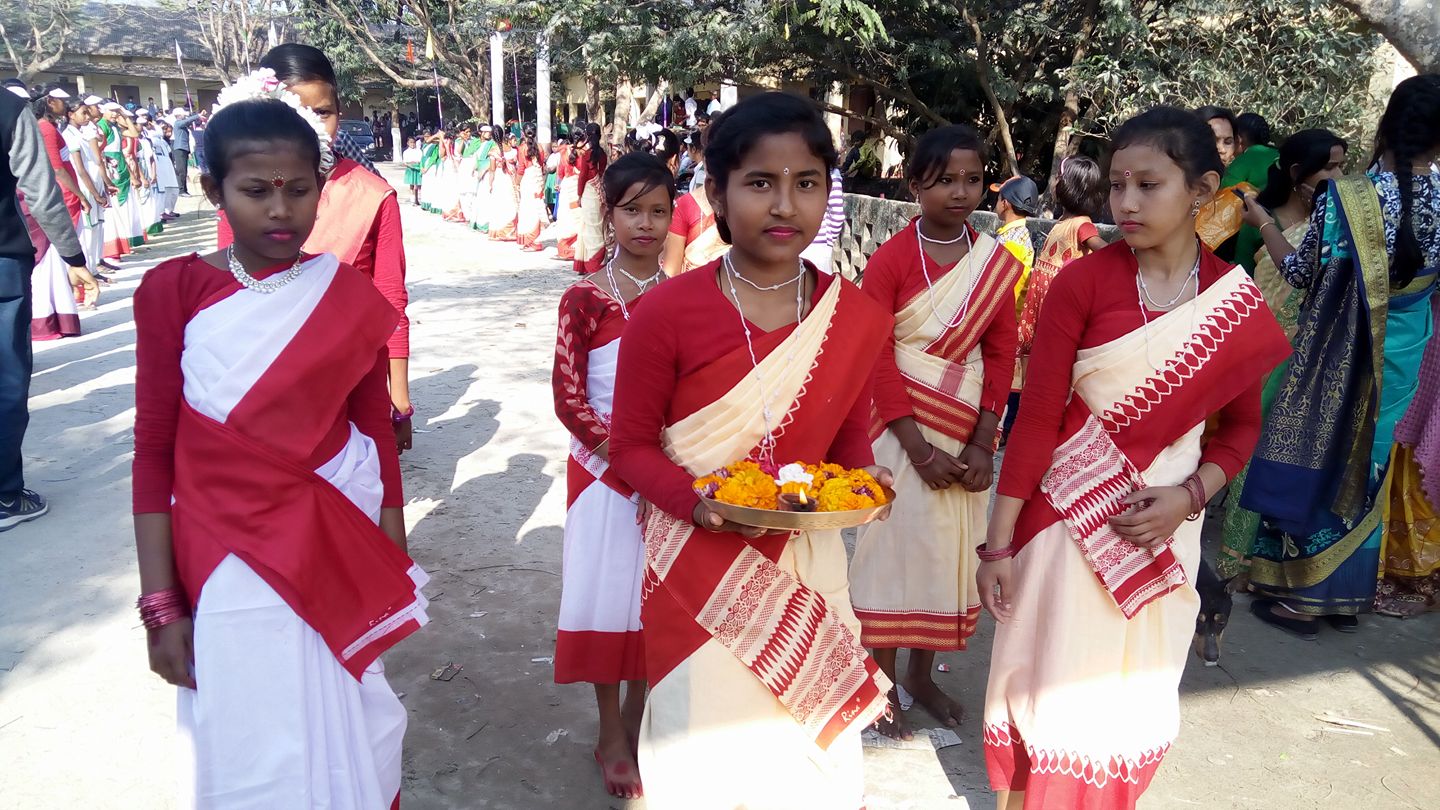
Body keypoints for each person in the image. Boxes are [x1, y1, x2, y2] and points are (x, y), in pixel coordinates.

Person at [980, 106, 1289, 809]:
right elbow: (1036, 423)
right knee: (1047, 692)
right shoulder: (1083, 284)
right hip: (1064, 526)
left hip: (1163, 532)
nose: (1126, 202)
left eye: (1149, 185)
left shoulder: (1231, 302)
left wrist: (1189, 497)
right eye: (1118, 184)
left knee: (1125, 705)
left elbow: (1241, 429)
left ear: (1202, 189)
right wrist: (996, 546)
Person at [132, 94, 427, 808]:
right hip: (222, 550)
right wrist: (161, 605)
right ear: (214, 190)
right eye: (255, 191)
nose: (279, 210)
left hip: (332, 537)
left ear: (321, 190)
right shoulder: (173, 291)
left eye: (298, 190)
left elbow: (373, 429)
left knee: (345, 708)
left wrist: (391, 550)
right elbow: (154, 449)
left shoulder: (346, 295)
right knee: (249, 725)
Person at [609, 91, 894, 810]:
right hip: (695, 567)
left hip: (808, 566)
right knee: (703, 761)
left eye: (807, 183)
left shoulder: (854, 317)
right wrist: (695, 505)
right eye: (760, 182)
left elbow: (846, 438)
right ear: (717, 194)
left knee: (809, 767)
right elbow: (631, 447)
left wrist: (864, 480)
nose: (785, 204)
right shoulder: (665, 312)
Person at [1240, 74, 1440, 634]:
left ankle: (1304, 598)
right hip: (1406, 349)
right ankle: (1346, 597)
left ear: (1387, 127)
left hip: (1342, 350)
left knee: (1321, 455)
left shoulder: (1348, 198)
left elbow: (1300, 272)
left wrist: (1264, 223)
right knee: (1370, 464)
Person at [849, 125, 1021, 741]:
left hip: (965, 429)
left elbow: (1001, 353)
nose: (960, 191)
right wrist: (918, 449)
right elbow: (874, 356)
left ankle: (921, 677)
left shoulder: (993, 264)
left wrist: (983, 441)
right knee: (893, 553)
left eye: (972, 179)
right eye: (945, 179)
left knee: (947, 555)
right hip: (901, 436)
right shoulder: (892, 259)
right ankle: (881, 684)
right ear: (914, 184)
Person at [217, 45, 415, 456]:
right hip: (262, 377)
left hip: (349, 379)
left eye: (323, 113)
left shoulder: (372, 195)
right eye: (296, 111)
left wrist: (399, 398)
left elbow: (390, 301)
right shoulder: (244, 196)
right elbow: (229, 294)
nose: (311, 126)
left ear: (340, 110)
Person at [553, 152, 675, 801]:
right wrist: (625, 459)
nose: (646, 223)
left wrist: (664, 466)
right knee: (605, 597)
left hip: (666, 476)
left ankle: (636, 718)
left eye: (659, 210)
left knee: (653, 602)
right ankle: (610, 734)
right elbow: (568, 397)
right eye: (633, 210)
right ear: (609, 213)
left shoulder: (685, 298)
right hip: (599, 475)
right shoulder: (584, 297)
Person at [1204, 129, 1348, 654]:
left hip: (1305, 354)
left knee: (1271, 451)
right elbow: (1222, 264)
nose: (1339, 177)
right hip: (1248, 340)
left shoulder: (1336, 224)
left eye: (1343, 166)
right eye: (1330, 167)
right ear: (1296, 173)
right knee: (1233, 443)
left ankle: (1249, 561)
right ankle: (1218, 550)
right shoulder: (1247, 212)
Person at [0, 80, 90, 529]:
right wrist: (73, 257)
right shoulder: (9, 109)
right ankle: (5, 495)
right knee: (6, 379)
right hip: (2, 262)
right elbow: (40, 191)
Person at [1008, 155, 1108, 439]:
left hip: (1055, 310)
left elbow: (1099, 247)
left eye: (1061, 178)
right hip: (1040, 310)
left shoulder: (1081, 225)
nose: (1056, 182)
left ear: (1070, 186)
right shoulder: (1066, 222)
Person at [1226, 113, 1282, 270]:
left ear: (1239, 139)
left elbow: (1222, 192)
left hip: (1257, 225)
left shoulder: (1245, 159)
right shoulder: (1279, 154)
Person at [572, 122, 608, 274]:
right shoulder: (603, 154)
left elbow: (582, 177)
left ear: (587, 136)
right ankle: (593, 262)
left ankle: (592, 264)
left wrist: (579, 195)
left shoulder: (587, 154)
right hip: (599, 193)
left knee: (588, 227)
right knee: (597, 227)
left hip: (588, 192)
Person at [516, 124, 548, 251]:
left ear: (523, 133)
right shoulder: (540, 147)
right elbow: (541, 165)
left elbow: (521, 169)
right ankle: (534, 241)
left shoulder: (522, 148)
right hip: (537, 178)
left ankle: (533, 242)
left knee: (527, 209)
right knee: (535, 208)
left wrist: (516, 183)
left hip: (527, 180)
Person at [487, 132, 520, 241]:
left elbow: (492, 170)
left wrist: (490, 183)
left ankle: (498, 232)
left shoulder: (493, 151)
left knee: (499, 204)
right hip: (510, 178)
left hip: (499, 179)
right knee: (511, 204)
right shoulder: (514, 151)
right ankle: (510, 231)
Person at [553, 138, 580, 261]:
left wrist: (558, 184)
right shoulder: (582, 150)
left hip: (568, 186)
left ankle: (565, 249)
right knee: (578, 217)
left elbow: (560, 172)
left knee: (565, 217)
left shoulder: (563, 151)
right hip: (578, 186)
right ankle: (578, 248)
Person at [170, 106, 200, 196]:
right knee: (181, 170)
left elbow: (188, 121)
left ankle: (184, 189)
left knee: (184, 170)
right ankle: (181, 190)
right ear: (179, 115)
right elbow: (187, 121)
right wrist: (198, 115)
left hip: (184, 149)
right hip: (179, 149)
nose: (185, 116)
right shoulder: (178, 123)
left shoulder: (182, 125)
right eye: (183, 114)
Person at [401, 136, 423, 206]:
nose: (412, 144)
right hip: (410, 169)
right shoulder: (406, 152)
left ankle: (418, 199)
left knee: (418, 185)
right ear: (408, 143)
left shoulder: (419, 151)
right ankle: (413, 199)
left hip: (417, 168)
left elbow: (420, 160)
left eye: (414, 142)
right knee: (412, 185)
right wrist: (410, 165)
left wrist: (418, 166)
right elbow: (405, 162)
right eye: (411, 142)